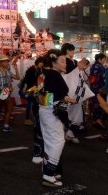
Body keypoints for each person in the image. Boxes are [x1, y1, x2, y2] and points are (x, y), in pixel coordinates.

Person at [38, 49, 77, 187]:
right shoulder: (54, 75)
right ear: (54, 63)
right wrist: (68, 99)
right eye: (62, 61)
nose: (65, 63)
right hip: (52, 111)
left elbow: (47, 92)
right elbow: (60, 93)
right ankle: (48, 174)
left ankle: (49, 170)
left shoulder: (44, 73)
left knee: (50, 141)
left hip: (45, 109)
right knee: (57, 141)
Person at [0, 55, 19, 132]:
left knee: (9, 109)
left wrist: (16, 69)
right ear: (0, 63)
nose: (7, 63)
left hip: (6, 91)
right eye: (5, 62)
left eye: (7, 62)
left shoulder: (8, 71)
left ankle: (5, 126)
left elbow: (17, 78)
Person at [89, 53, 107, 129]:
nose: (104, 61)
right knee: (99, 104)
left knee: (94, 103)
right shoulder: (101, 67)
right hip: (99, 88)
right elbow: (103, 79)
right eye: (104, 59)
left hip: (93, 87)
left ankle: (94, 120)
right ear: (99, 59)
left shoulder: (93, 66)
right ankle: (98, 120)